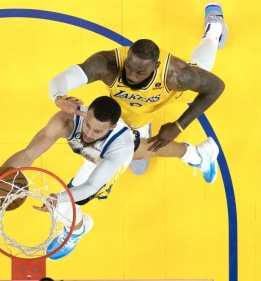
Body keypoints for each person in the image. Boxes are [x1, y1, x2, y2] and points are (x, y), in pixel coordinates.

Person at [0, 96, 219, 261]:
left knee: (71, 201)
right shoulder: (65, 121)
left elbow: (92, 184)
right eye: (88, 126)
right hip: (97, 153)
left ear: (112, 127)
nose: (89, 134)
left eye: (97, 132)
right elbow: (30, 153)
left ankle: (78, 229)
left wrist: (58, 198)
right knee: (144, 148)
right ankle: (198, 154)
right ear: (85, 114)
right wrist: (1, 175)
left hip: (107, 160)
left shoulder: (120, 146)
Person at [48, 2, 227, 176]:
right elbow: (62, 78)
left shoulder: (177, 76)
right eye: (129, 67)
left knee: (201, 68)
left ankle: (213, 30)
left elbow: (216, 87)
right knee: (132, 162)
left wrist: (178, 126)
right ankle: (141, 130)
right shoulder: (107, 65)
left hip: (169, 94)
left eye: (140, 72)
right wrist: (58, 96)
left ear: (156, 66)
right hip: (132, 113)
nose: (132, 76)